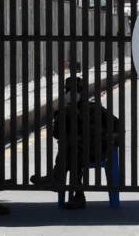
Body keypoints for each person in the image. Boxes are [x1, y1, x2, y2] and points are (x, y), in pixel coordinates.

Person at [48, 75, 123, 209]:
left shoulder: (95, 108)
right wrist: (61, 114)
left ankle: (56, 178)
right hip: (76, 152)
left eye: (74, 91)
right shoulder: (64, 112)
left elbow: (117, 126)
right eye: (68, 91)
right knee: (72, 150)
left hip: (96, 150)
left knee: (71, 149)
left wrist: (108, 139)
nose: (71, 94)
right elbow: (57, 134)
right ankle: (76, 194)